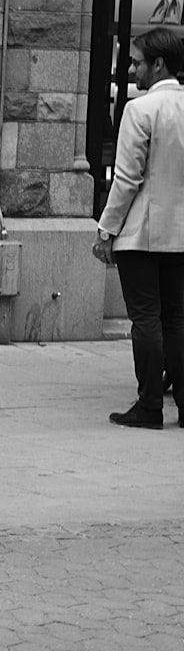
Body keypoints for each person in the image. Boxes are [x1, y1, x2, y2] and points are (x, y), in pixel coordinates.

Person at [93, 26, 184, 430]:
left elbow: (127, 178)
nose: (132, 69)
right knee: (176, 319)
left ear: (158, 64)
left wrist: (106, 229)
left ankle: (149, 406)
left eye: (137, 62)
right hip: (180, 233)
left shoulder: (140, 110)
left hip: (143, 232)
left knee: (146, 319)